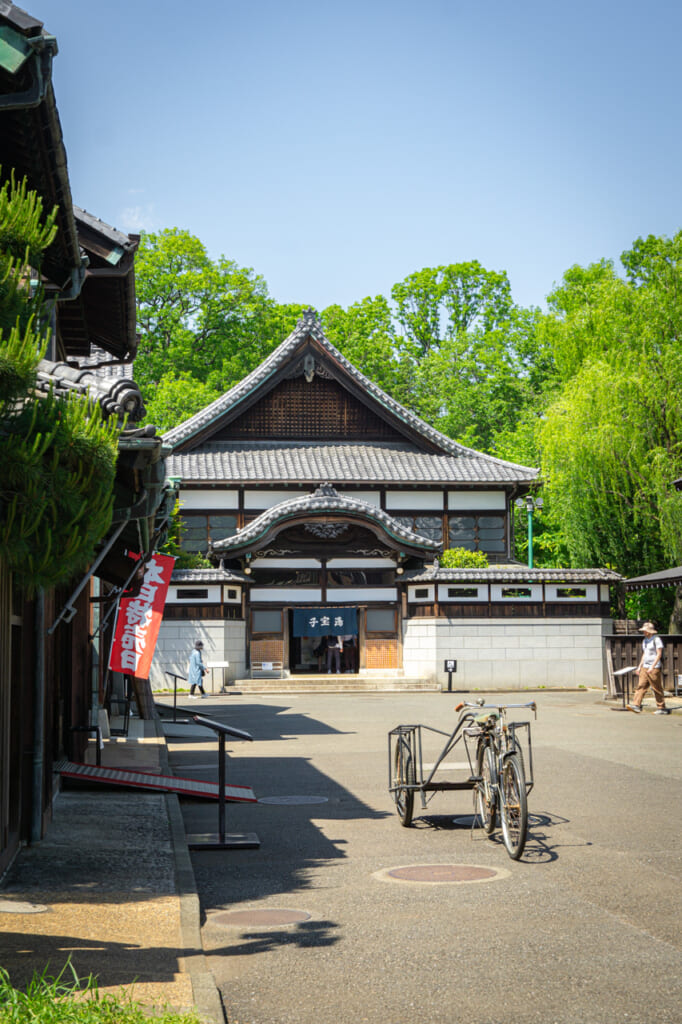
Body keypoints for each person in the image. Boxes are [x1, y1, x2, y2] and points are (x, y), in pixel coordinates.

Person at [627, 621, 670, 714]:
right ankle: (636, 705)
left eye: (645, 631)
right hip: (645, 666)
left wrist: (652, 666)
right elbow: (644, 654)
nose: (644, 632)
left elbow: (659, 654)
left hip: (654, 667)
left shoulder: (656, 640)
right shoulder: (645, 640)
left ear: (650, 631)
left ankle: (661, 707)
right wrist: (639, 666)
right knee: (641, 686)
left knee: (656, 687)